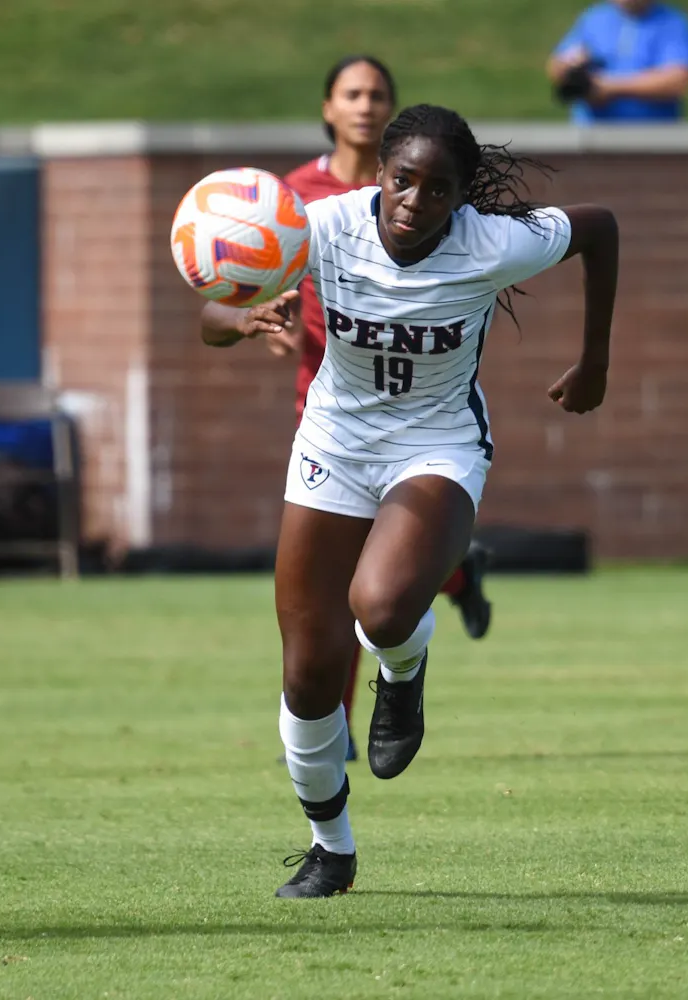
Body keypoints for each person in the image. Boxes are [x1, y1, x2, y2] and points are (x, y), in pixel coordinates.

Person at [201, 103, 619, 897]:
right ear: (381, 174)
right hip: (333, 446)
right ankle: (331, 848)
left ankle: (404, 669)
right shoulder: (319, 227)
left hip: (437, 445)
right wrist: (245, 315)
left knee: (382, 607)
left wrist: (594, 357)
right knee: (308, 670)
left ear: (462, 199)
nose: (414, 202)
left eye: (436, 190)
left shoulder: (494, 241)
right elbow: (209, 319)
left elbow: (600, 228)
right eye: (403, 180)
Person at [205, 56, 493, 764]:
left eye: (378, 96)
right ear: (328, 108)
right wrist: (252, 317)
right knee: (337, 602)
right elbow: (221, 304)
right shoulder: (296, 202)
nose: (365, 106)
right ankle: (330, 739)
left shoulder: (425, 198)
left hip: (423, 421)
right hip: (331, 408)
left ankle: (401, 663)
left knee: (379, 590)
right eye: (351, 94)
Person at [547, 0, 688, 124]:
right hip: (592, 139)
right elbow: (557, 65)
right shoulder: (594, 18)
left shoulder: (671, 22)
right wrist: (572, 69)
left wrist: (610, 87)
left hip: (651, 142)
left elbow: (677, 80)